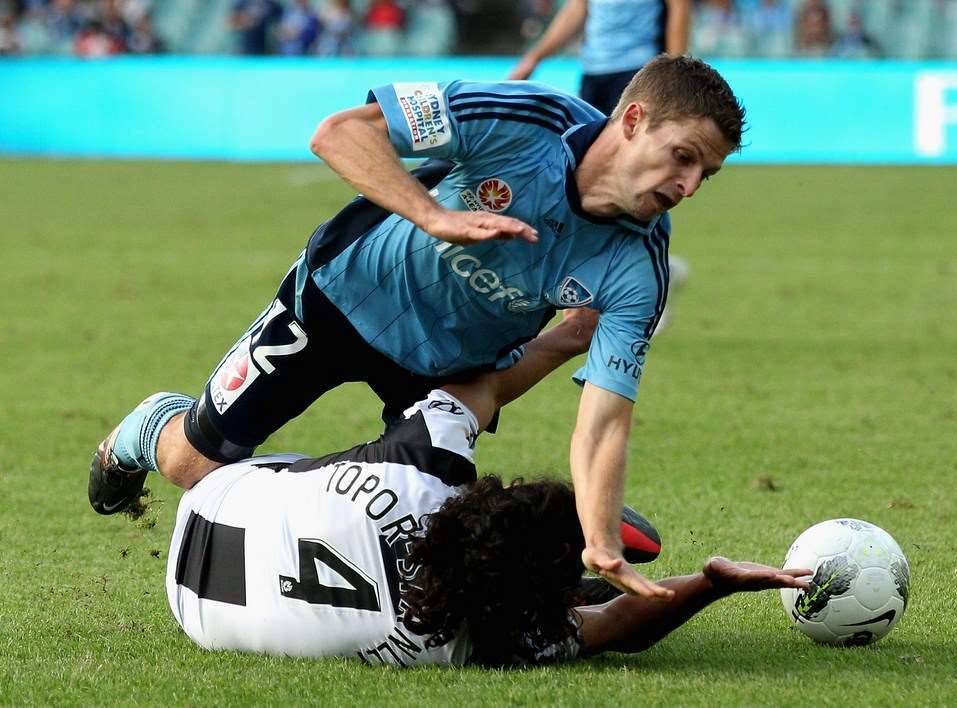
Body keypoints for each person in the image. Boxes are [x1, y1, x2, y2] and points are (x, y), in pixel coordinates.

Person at [90, 54, 745, 600]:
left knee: (431, 545)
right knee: (191, 466)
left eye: (706, 175)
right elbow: (340, 133)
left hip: (445, 371)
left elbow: (604, 423)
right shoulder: (519, 119)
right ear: (632, 120)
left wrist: (600, 540)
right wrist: (433, 216)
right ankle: (151, 425)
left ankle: (552, 556)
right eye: (683, 157)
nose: (689, 186)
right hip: (339, 298)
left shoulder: (640, 266)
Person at [162, 313, 810, 665]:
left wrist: (573, 331)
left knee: (225, 452)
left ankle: (151, 427)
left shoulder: (420, 471)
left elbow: (480, 387)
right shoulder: (470, 640)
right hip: (196, 611)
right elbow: (617, 627)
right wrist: (713, 582)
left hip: (216, 499)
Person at [509, 0, 693, 117]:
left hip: (638, 73)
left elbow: (679, 9)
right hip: (593, 72)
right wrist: (534, 57)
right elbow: (575, 11)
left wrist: (674, 70)